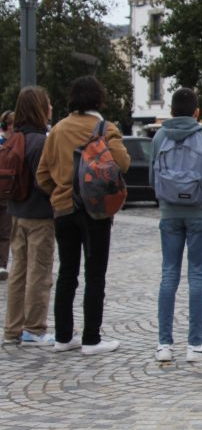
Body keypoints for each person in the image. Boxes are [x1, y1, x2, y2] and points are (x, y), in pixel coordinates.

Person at [36, 75, 130, 355]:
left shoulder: (58, 130)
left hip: (64, 209)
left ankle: (63, 336)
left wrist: (60, 192)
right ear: (99, 99)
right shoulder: (104, 128)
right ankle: (92, 338)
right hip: (96, 210)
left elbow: (42, 174)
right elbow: (123, 163)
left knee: (67, 272)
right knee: (95, 273)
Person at [151, 88, 202, 363]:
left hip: (169, 214)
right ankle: (195, 345)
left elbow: (153, 178)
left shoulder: (160, 136)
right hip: (199, 213)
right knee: (197, 276)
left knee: (168, 275)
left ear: (171, 111)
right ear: (197, 112)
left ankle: (164, 345)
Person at [3, 88, 55, 346]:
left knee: (18, 272)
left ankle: (12, 328)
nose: (51, 109)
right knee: (39, 272)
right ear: (39, 108)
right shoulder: (40, 142)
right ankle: (34, 328)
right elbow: (45, 180)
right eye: (48, 104)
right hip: (39, 216)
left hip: (16, 212)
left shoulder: (13, 138)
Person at [0, 110, 13, 281]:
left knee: (5, 231)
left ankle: (2, 264)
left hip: (7, 193)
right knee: (4, 231)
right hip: (5, 191)